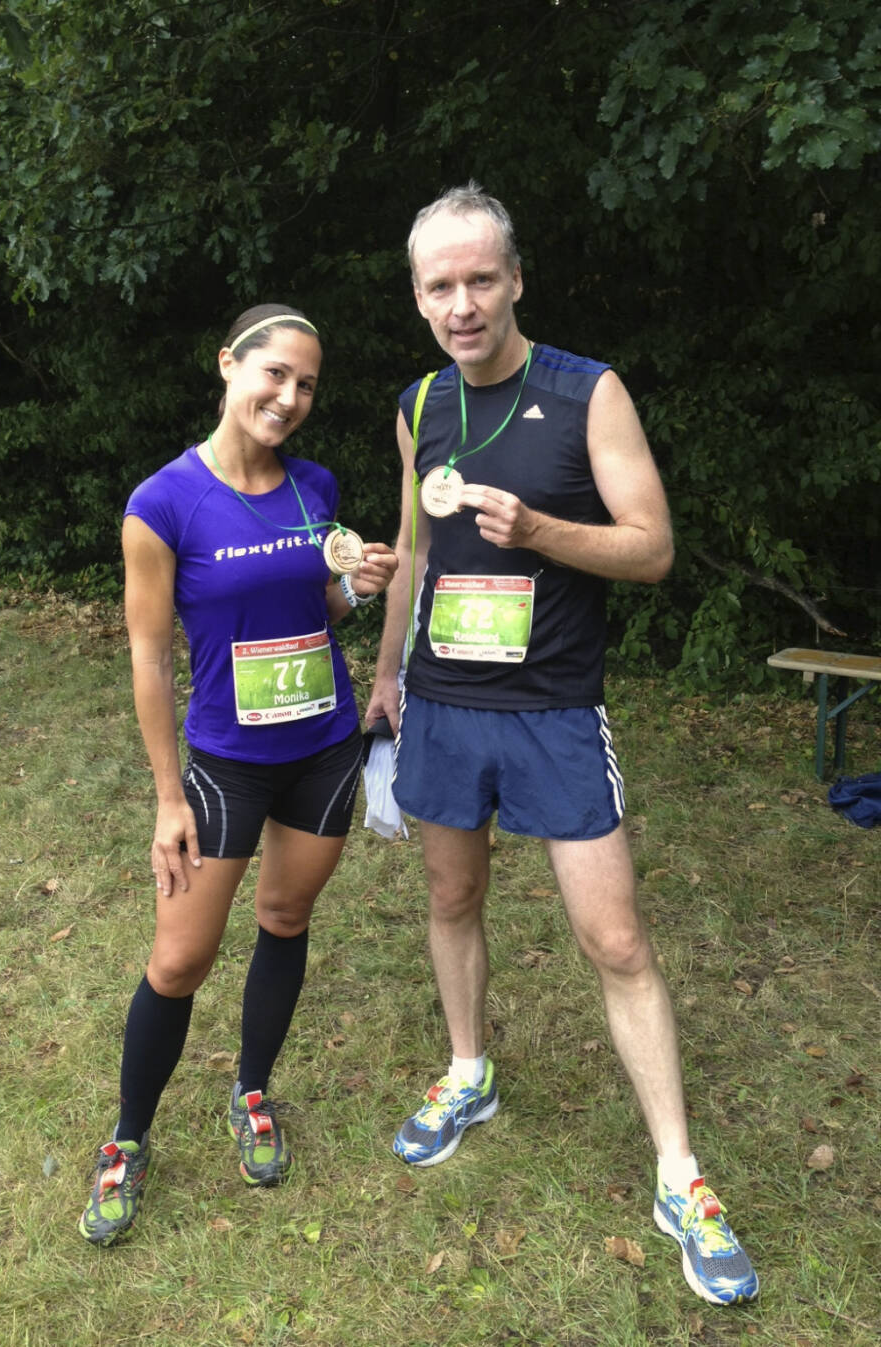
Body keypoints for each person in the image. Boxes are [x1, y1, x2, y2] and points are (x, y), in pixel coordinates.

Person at [365, 184, 759, 1306]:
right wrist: (387, 674)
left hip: (552, 709)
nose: (462, 304)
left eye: (480, 279)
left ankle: (679, 1177)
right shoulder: (419, 402)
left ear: (516, 280)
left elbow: (652, 547)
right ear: (418, 298)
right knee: (451, 898)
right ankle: (468, 1070)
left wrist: (539, 530)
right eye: (440, 286)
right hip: (444, 703)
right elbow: (414, 547)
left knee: (616, 939)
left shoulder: (588, 391)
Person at [79, 303, 398, 1246]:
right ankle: (128, 1139)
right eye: (275, 374)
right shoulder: (163, 503)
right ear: (229, 365)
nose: (290, 397)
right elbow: (149, 659)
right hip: (226, 764)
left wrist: (357, 587)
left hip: (324, 750)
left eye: (307, 385)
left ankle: (253, 1090)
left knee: (286, 918)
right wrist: (166, 796)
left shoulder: (314, 485)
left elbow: (317, 604)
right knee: (179, 959)